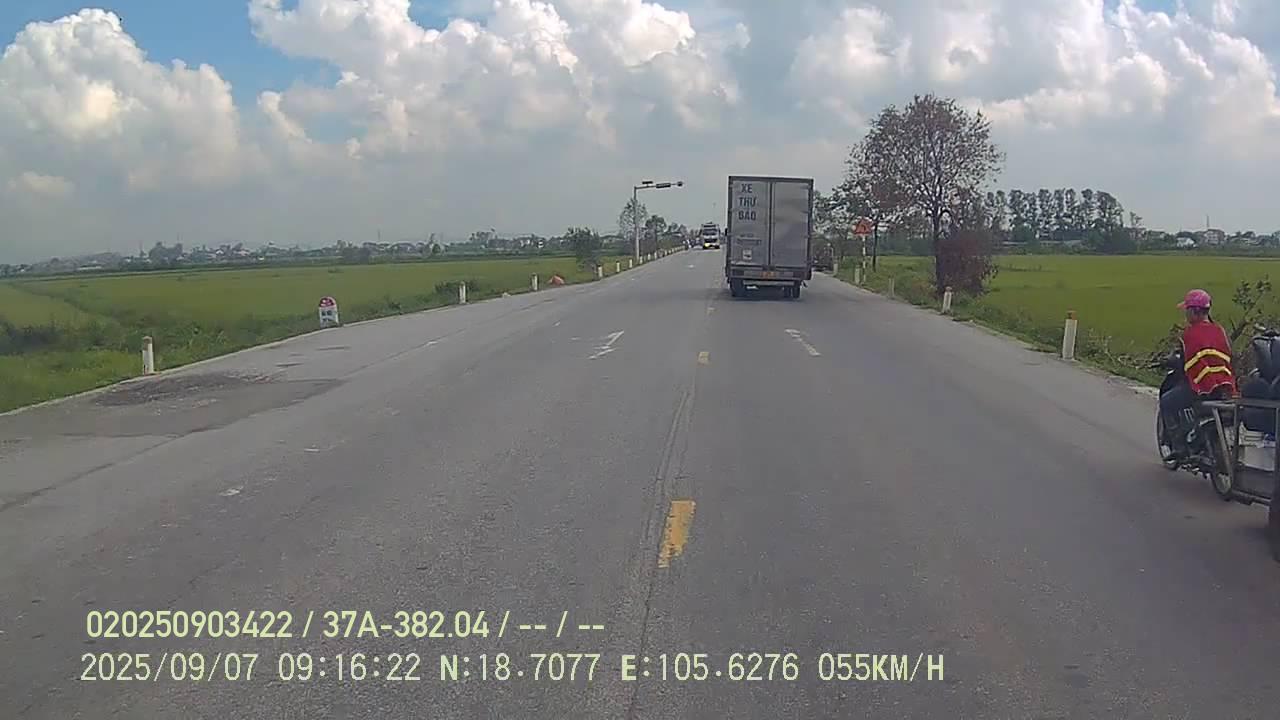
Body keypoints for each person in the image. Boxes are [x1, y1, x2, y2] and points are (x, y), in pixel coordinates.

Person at [1159, 289, 1236, 453]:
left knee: (1166, 401)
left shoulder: (1190, 334)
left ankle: (1178, 447)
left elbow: (1188, 361)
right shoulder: (1219, 330)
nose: (1186, 314)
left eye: (1187, 310)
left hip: (1202, 386)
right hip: (1225, 385)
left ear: (1194, 311)